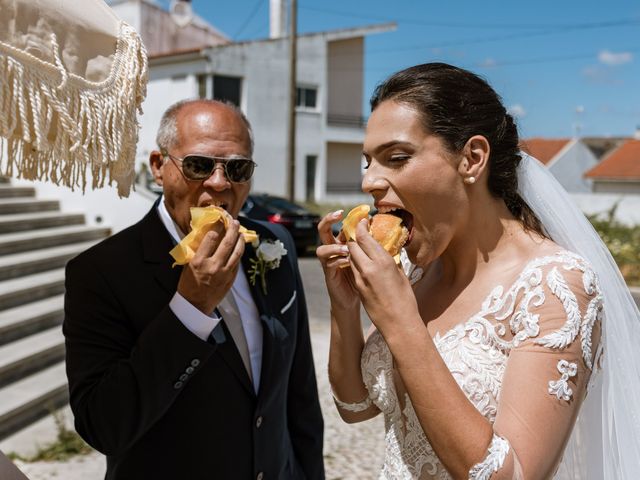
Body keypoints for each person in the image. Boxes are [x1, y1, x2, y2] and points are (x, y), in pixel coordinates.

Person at [317, 63, 640, 479]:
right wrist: (344, 308)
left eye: (396, 158)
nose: (370, 182)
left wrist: (400, 321)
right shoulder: (419, 274)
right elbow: (354, 405)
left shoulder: (555, 285)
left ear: (471, 158)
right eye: (368, 163)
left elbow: (514, 474)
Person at [64, 99, 324, 480]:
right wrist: (191, 306)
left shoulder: (274, 244)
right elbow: (104, 426)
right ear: (158, 167)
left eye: (237, 168)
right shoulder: (102, 271)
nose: (219, 182)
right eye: (199, 165)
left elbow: (299, 396)